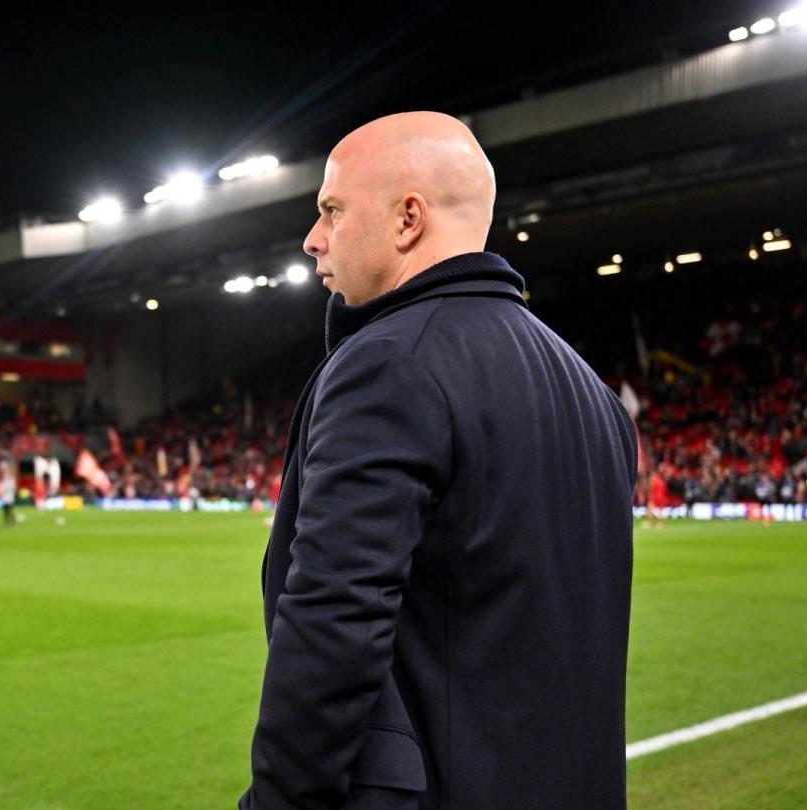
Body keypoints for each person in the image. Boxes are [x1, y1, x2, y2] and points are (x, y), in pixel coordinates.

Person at [240, 113, 638, 810]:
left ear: (408, 220)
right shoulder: (594, 394)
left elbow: (333, 623)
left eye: (332, 210)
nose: (313, 238)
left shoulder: (388, 363)